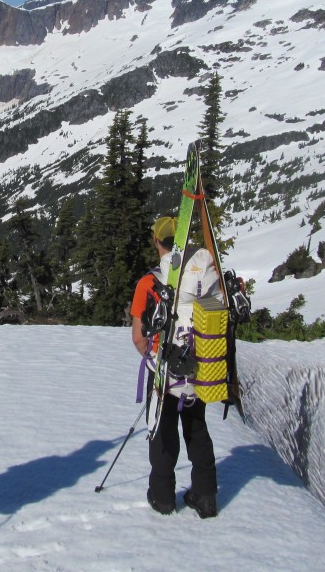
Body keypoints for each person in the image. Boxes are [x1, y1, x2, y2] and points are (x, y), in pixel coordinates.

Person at [130, 217, 219, 519]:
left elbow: (139, 338)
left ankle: (163, 496)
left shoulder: (149, 283)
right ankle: (206, 496)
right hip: (198, 365)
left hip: (164, 370)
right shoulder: (202, 276)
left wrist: (152, 358)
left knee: (163, 431)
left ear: (156, 240)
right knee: (197, 429)